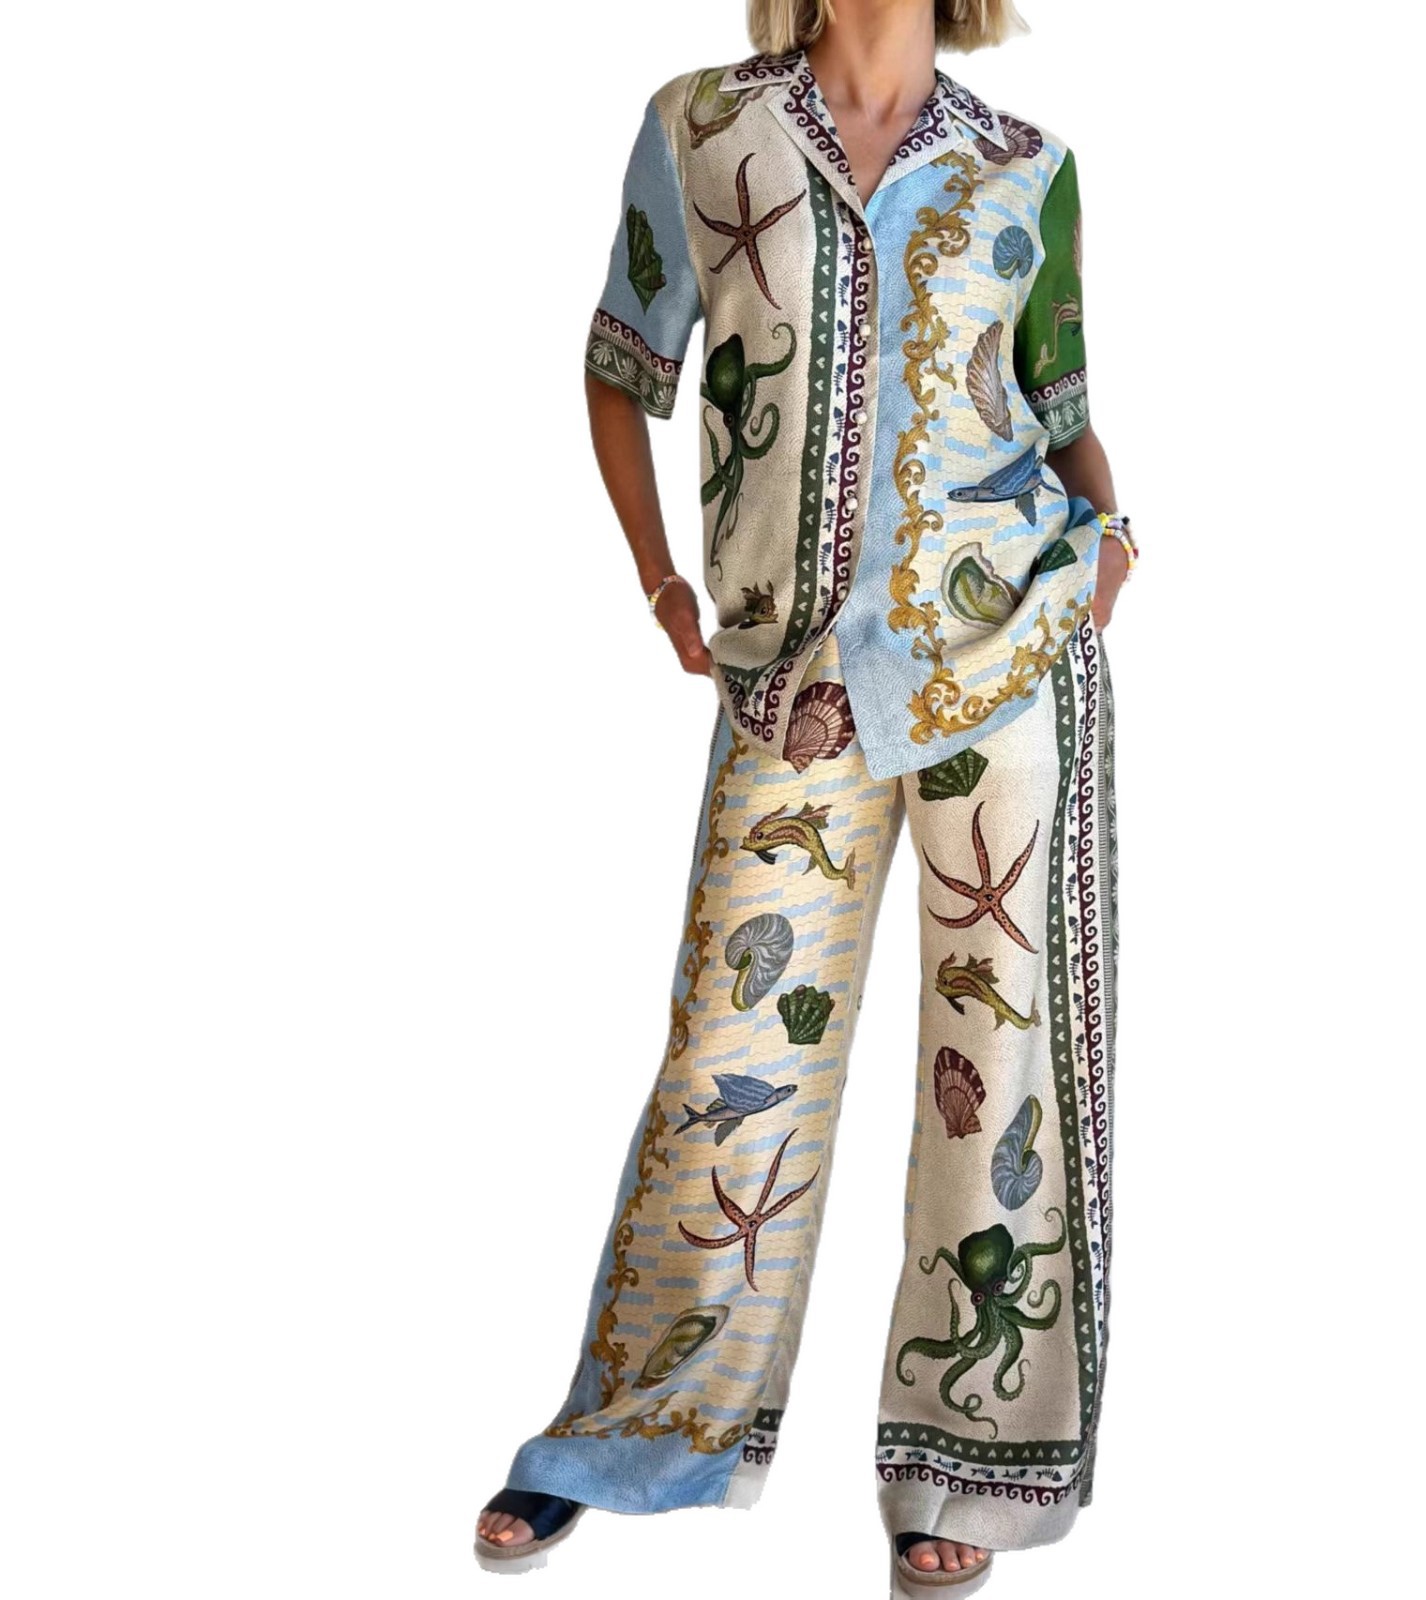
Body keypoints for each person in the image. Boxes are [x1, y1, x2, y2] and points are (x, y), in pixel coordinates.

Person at [475, 1, 1134, 1590]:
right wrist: (659, 583)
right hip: (793, 687)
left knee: (1006, 1065)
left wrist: (1116, 543)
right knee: (731, 1055)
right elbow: (620, 364)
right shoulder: (704, 126)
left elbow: (1060, 413)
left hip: (1010, 661)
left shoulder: (1027, 165)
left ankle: (969, 1464)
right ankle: (639, 1429)